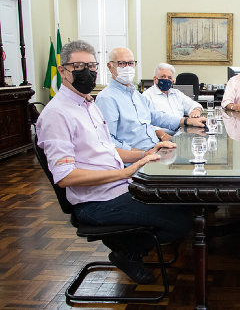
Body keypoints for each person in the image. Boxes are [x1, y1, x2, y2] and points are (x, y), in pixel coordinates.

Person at [36, 40, 193, 285]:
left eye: (91, 65)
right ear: (62, 71)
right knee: (182, 222)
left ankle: (129, 246)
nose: (86, 72)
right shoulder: (58, 113)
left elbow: (109, 151)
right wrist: (125, 173)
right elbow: (65, 177)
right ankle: (128, 253)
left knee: (185, 206)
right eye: (78, 66)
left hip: (118, 186)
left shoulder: (88, 103)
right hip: (96, 201)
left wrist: (148, 153)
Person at [96, 47, 206, 152]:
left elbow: (156, 116)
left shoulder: (135, 94)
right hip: (138, 157)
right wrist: (144, 154)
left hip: (155, 148)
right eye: (121, 63)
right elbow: (109, 141)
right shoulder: (106, 98)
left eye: (130, 63)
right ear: (110, 66)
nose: (127, 67)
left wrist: (186, 121)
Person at [142, 63, 203, 139]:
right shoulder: (147, 96)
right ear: (155, 79)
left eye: (169, 78)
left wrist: (196, 109)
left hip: (181, 134)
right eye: (163, 77)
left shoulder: (177, 94)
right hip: (159, 137)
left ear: (173, 81)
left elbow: (193, 104)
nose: (166, 80)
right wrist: (162, 136)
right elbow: (145, 123)